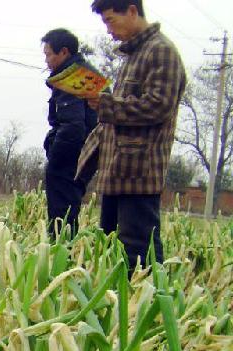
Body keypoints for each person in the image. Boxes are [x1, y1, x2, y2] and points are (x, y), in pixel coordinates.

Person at [77, 0, 186, 271]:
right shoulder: (134, 56)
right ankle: (116, 306)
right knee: (111, 247)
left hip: (140, 171)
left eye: (111, 20)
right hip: (117, 169)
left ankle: (146, 308)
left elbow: (159, 106)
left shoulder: (161, 52)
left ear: (133, 12)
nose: (108, 30)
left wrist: (106, 105)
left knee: (137, 251)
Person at [41, 28, 98, 239]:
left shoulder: (74, 77)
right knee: (69, 208)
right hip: (88, 151)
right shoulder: (85, 72)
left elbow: (73, 126)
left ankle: (60, 253)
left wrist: (55, 158)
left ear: (64, 52)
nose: (46, 60)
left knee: (62, 212)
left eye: (48, 54)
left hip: (73, 155)